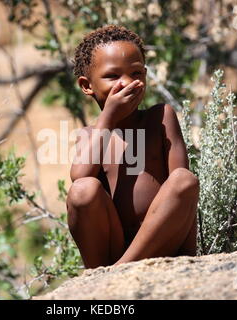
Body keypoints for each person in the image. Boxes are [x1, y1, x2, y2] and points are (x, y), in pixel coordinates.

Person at [67, 25, 199, 268]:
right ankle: (101, 272)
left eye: (136, 73)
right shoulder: (90, 135)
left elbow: (182, 193)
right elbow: (79, 178)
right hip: (114, 248)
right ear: (87, 86)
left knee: (184, 179)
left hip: (165, 243)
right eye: (112, 76)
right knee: (83, 190)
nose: (127, 82)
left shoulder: (160, 117)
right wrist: (108, 118)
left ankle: (121, 268)